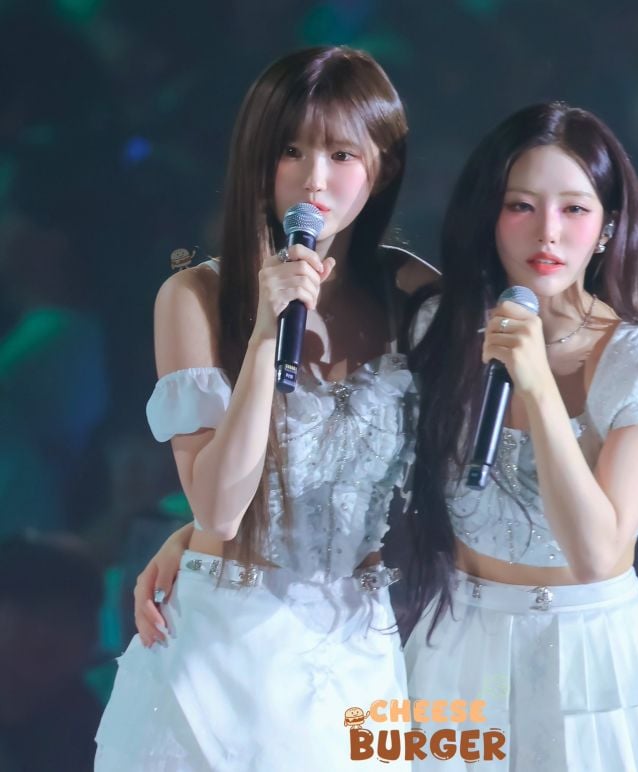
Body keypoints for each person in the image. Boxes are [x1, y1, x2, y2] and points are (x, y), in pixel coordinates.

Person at [95, 46, 435, 770]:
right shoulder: (194, 297)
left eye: (341, 154)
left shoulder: (413, 294)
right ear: (257, 160)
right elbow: (219, 510)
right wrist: (261, 339)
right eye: (290, 150)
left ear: (382, 167)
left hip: (356, 656)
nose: (314, 179)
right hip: (219, 654)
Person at [402, 102, 638, 770]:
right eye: (521, 206)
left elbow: (598, 550)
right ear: (489, 214)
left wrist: (538, 386)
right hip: (458, 644)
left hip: (589, 657)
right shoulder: (438, 327)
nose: (548, 232)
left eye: (575, 209)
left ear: (608, 227)